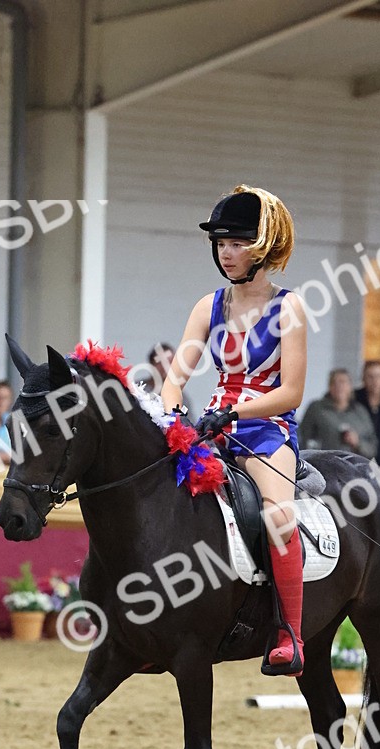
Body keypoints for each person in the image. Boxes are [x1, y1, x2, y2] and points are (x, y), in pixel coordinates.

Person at [160, 184, 307, 676]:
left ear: (263, 247)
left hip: (266, 430)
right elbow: (177, 374)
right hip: (211, 427)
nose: (227, 252)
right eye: (221, 243)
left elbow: (292, 393)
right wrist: (173, 411)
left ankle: (289, 633)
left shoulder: (290, 310)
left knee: (279, 515)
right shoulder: (209, 306)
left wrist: (235, 415)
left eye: (238, 243)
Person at [299, 368, 378, 455]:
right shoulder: (317, 409)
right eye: (334, 382)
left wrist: (358, 443)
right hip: (323, 464)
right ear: (329, 386)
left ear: (350, 386)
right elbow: (302, 437)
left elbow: (373, 447)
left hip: (353, 465)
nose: (338, 386)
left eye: (342, 382)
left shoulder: (360, 412)